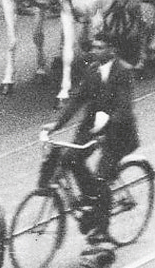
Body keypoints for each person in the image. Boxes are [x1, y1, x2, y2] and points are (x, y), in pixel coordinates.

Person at [44, 33, 138, 240]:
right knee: (69, 158)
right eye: (94, 47)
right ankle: (90, 197)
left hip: (118, 133)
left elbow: (124, 108)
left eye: (100, 47)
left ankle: (102, 229)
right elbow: (77, 101)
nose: (94, 51)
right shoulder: (92, 71)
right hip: (93, 128)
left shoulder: (123, 72)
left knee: (102, 177)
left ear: (112, 50)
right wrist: (56, 125)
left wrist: (107, 129)